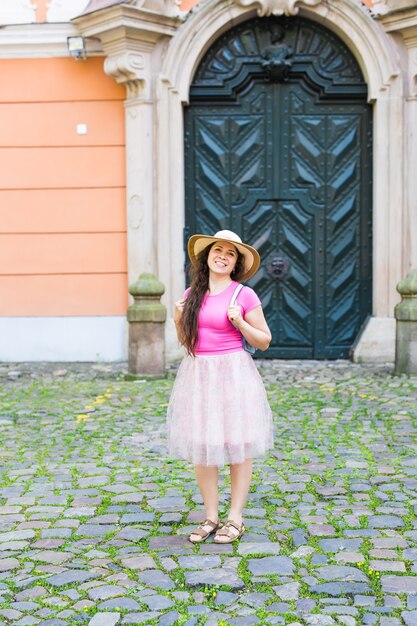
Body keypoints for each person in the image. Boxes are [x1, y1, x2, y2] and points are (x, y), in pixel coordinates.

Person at [167, 230, 274, 543]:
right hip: (199, 374)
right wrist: (177, 319)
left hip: (233, 372)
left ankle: (235, 518)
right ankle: (211, 517)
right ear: (207, 256)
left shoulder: (244, 295)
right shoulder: (192, 295)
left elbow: (264, 341)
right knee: (204, 445)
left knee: (238, 443)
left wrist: (241, 323)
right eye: (218, 250)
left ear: (235, 263)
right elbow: (188, 343)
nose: (223, 256)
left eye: (230, 253)